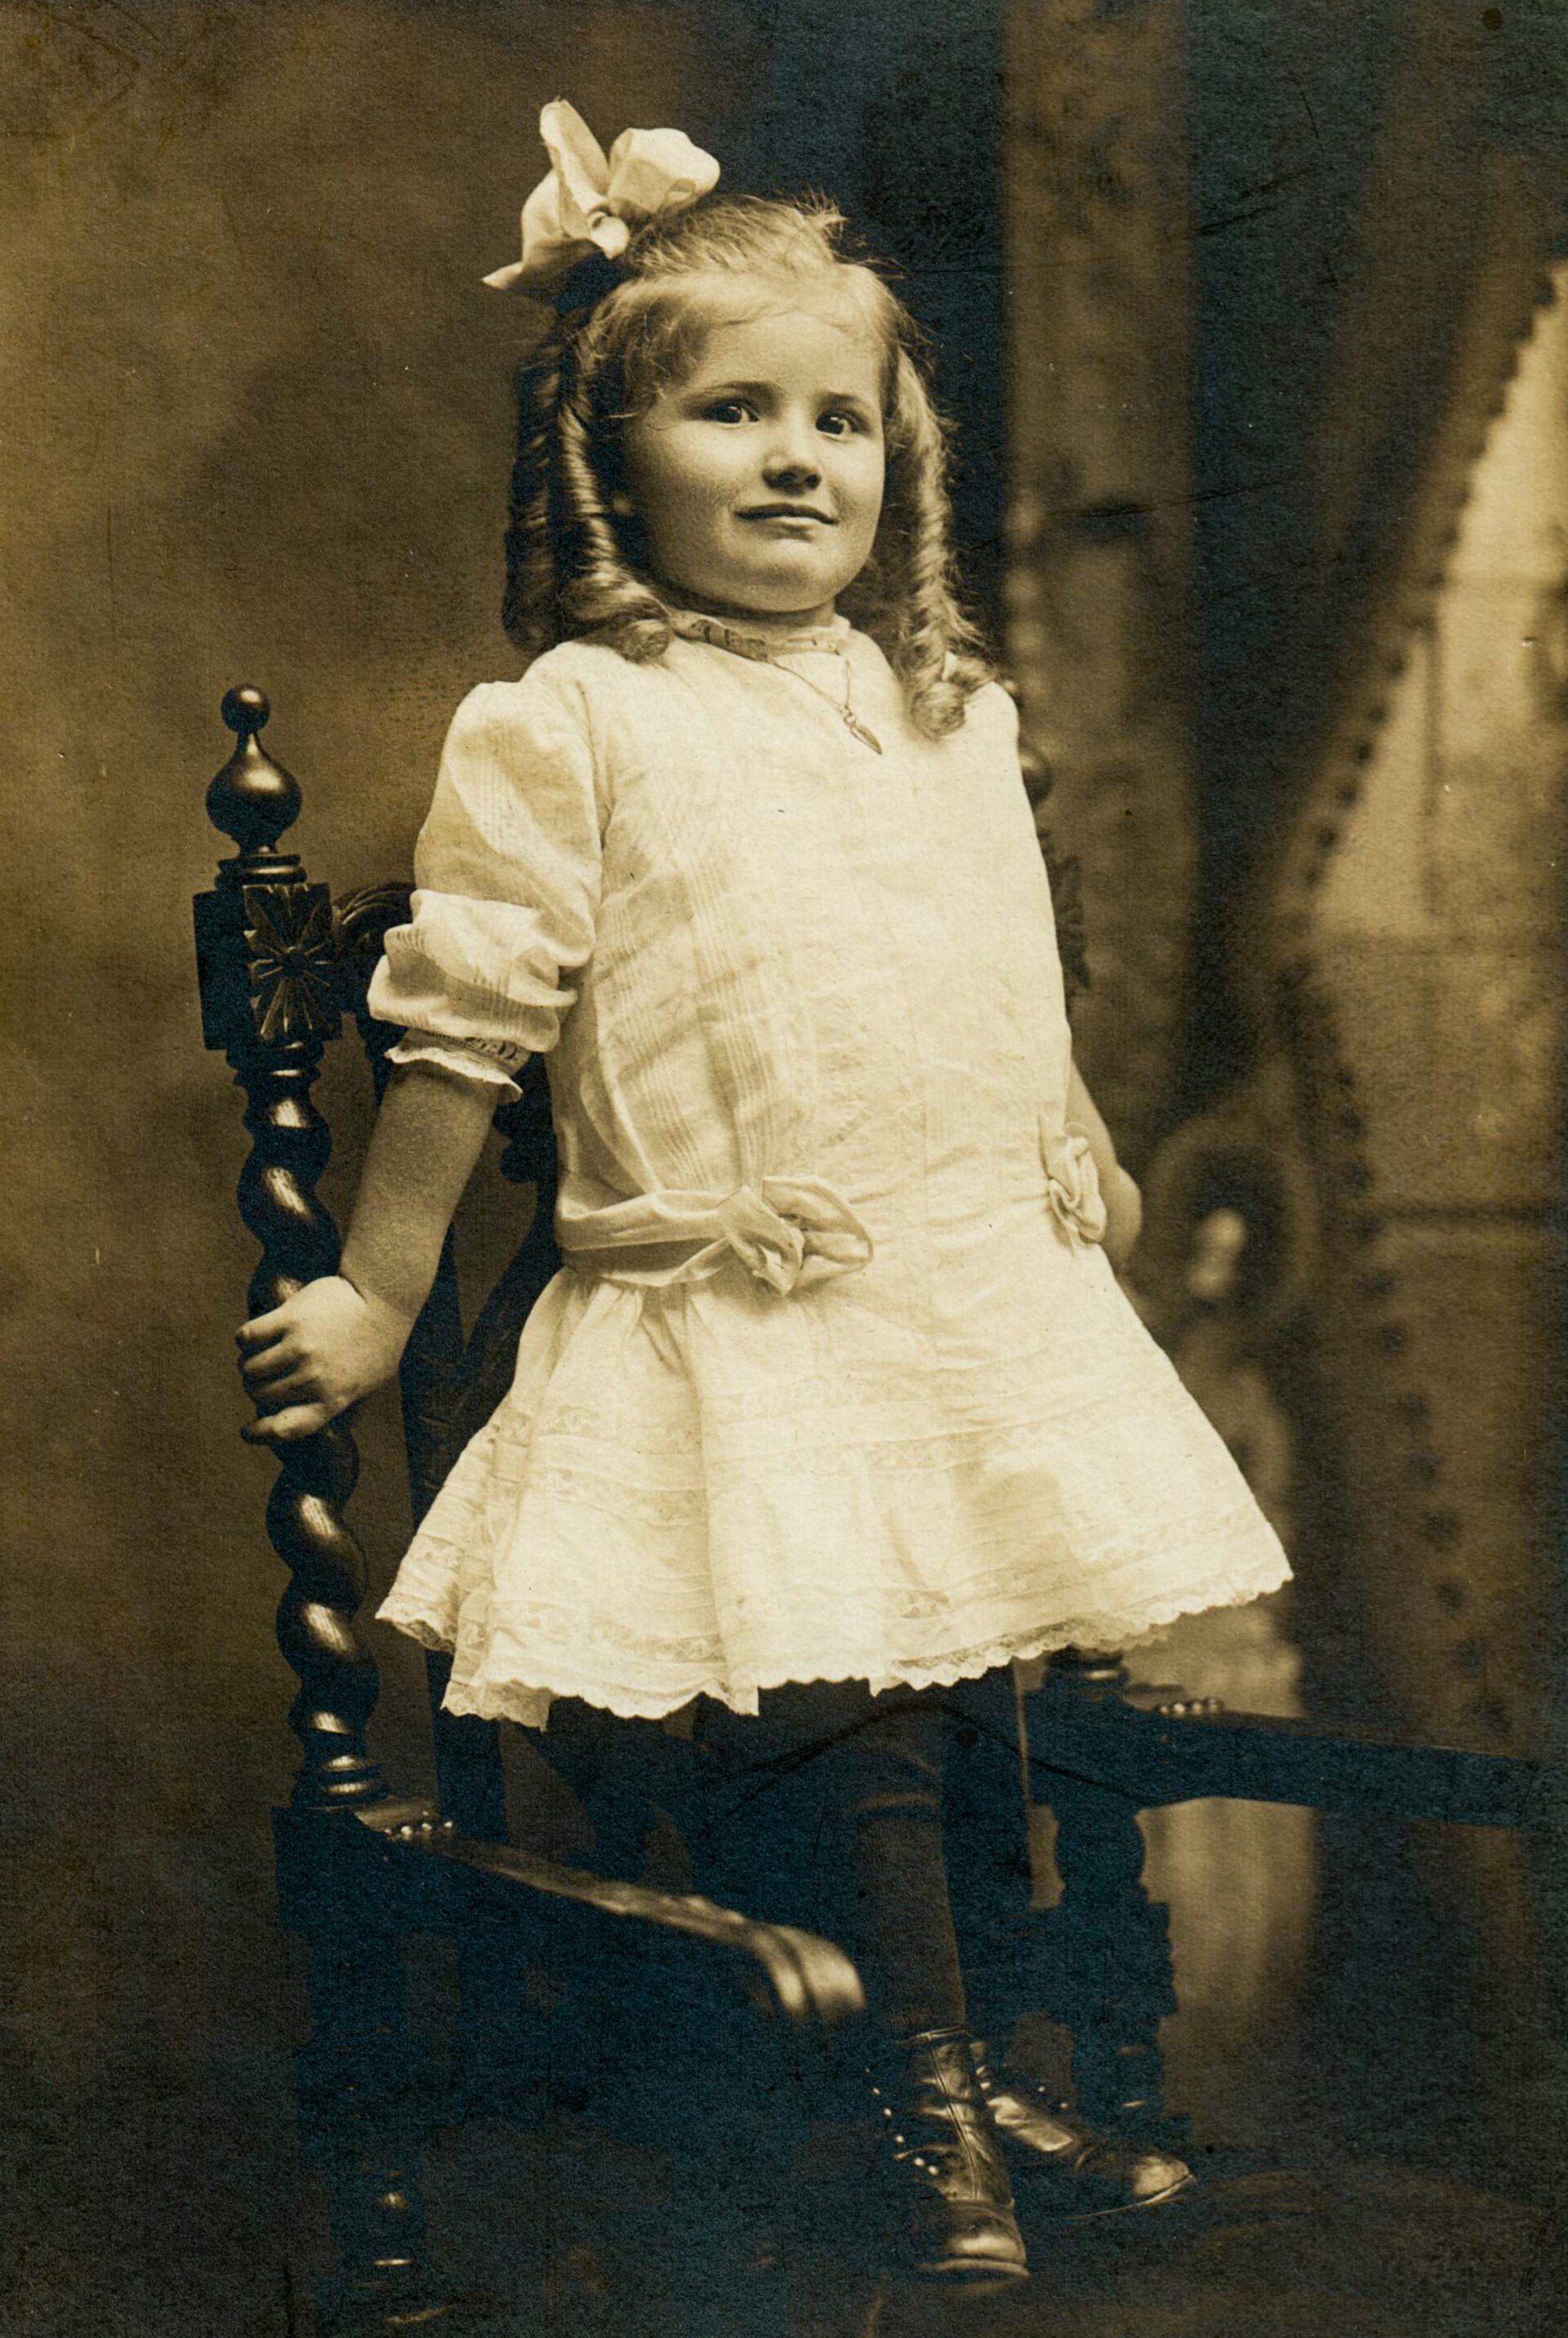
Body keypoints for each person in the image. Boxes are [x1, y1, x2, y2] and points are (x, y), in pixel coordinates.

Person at [235, 101, 1291, 2284]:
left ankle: (993, 2068)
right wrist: (368, 1284)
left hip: (964, 1286)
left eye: (845, 418)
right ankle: (913, 2107)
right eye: (735, 413)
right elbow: (465, 1031)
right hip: (735, 1301)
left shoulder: (946, 720)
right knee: (856, 1706)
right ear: (617, 463)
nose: (803, 458)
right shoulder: (573, 723)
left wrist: (1067, 1132)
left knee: (994, 1681)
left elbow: (1002, 968)